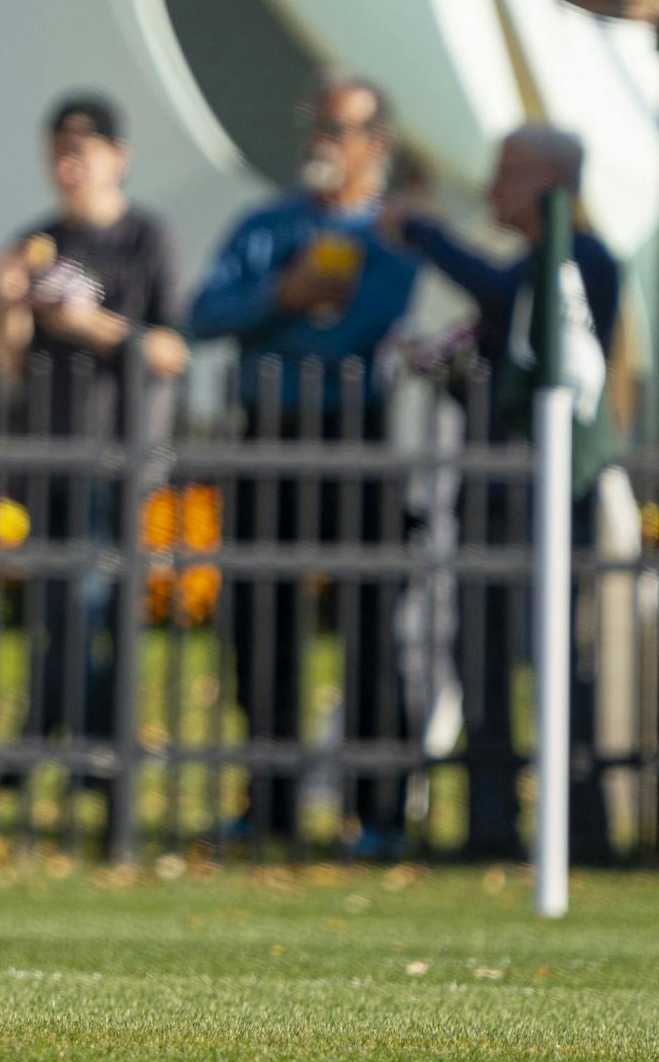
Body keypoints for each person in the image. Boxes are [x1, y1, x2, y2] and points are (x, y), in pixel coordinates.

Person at [188, 76, 420, 854]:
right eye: (316, 124)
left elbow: (353, 334)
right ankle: (270, 802)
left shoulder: (391, 234)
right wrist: (285, 293)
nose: (323, 140)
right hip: (268, 436)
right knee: (260, 622)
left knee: (368, 627)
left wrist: (282, 319)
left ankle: (379, 813)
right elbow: (203, 313)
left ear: (376, 145)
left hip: (356, 437)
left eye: (341, 128)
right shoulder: (267, 224)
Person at [381, 126, 620, 862]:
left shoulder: (582, 257)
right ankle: (490, 826)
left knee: (555, 665)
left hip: (549, 499)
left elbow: (512, 299)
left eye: (507, 173)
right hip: (494, 494)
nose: (492, 188)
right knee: (480, 657)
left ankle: (581, 832)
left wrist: (422, 228)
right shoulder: (532, 261)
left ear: (550, 181)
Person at [0, 96, 186, 805]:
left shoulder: (145, 240)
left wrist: (87, 324)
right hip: (50, 452)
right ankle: (77, 746)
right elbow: (7, 364)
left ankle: (72, 741)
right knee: (55, 600)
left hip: (119, 452)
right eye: (59, 147)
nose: (69, 162)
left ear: (117, 157)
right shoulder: (38, 241)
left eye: (85, 147)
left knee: (91, 597)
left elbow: (170, 350)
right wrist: (9, 303)